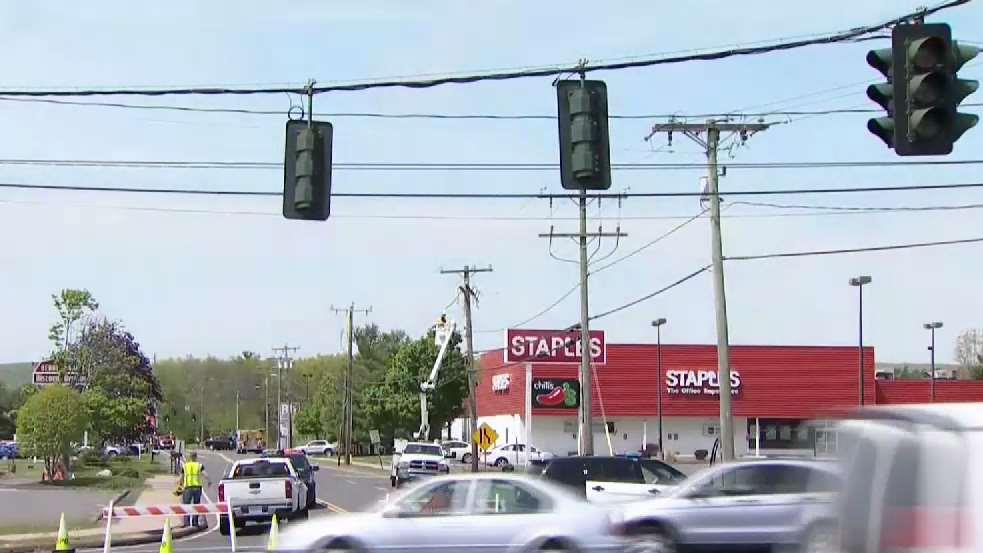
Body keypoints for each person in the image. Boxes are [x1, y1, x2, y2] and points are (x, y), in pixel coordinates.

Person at [177, 451, 210, 528]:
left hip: (188, 487)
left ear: (190, 457)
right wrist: (209, 481)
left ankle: (187, 523)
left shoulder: (185, 466)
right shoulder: (199, 465)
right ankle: (195, 522)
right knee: (196, 505)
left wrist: (179, 485)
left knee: (186, 505)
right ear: (196, 457)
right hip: (197, 487)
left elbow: (181, 477)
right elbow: (205, 474)